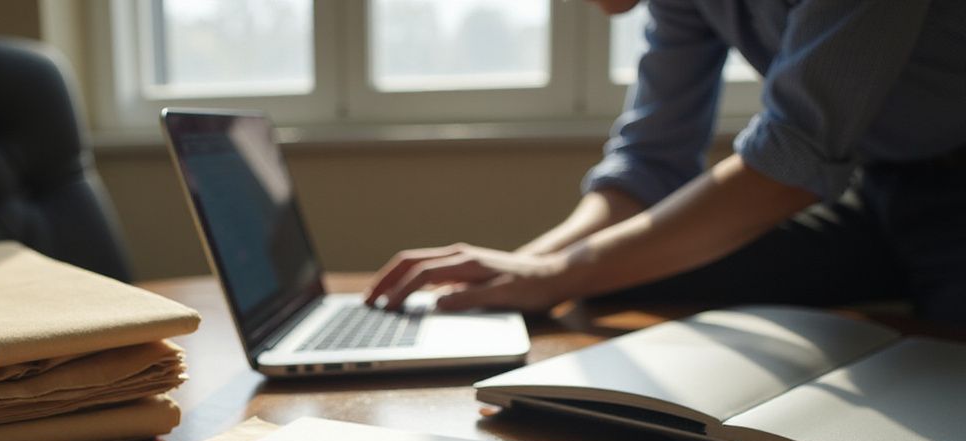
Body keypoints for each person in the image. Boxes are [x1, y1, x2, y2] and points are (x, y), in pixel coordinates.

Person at [364, 0, 966, 325]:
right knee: (611, 282)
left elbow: (791, 158)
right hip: (881, 188)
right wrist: (527, 267)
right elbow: (647, 166)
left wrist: (556, 275)